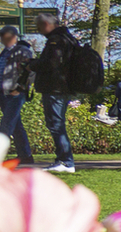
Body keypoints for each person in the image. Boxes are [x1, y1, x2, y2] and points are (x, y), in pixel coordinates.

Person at [32, 14, 83, 172]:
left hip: (55, 88)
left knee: (56, 124)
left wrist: (32, 64)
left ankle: (66, 162)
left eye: (39, 27)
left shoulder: (57, 41)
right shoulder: (67, 38)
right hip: (62, 87)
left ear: (47, 24)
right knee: (57, 124)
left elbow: (51, 63)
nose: (38, 30)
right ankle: (63, 160)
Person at [0, 26, 36, 165]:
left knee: (7, 124)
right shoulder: (5, 51)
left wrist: (20, 88)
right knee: (15, 125)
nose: (1, 37)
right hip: (3, 93)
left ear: (12, 36)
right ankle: (25, 155)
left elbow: (30, 72)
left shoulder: (23, 51)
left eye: (3, 34)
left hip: (15, 93)